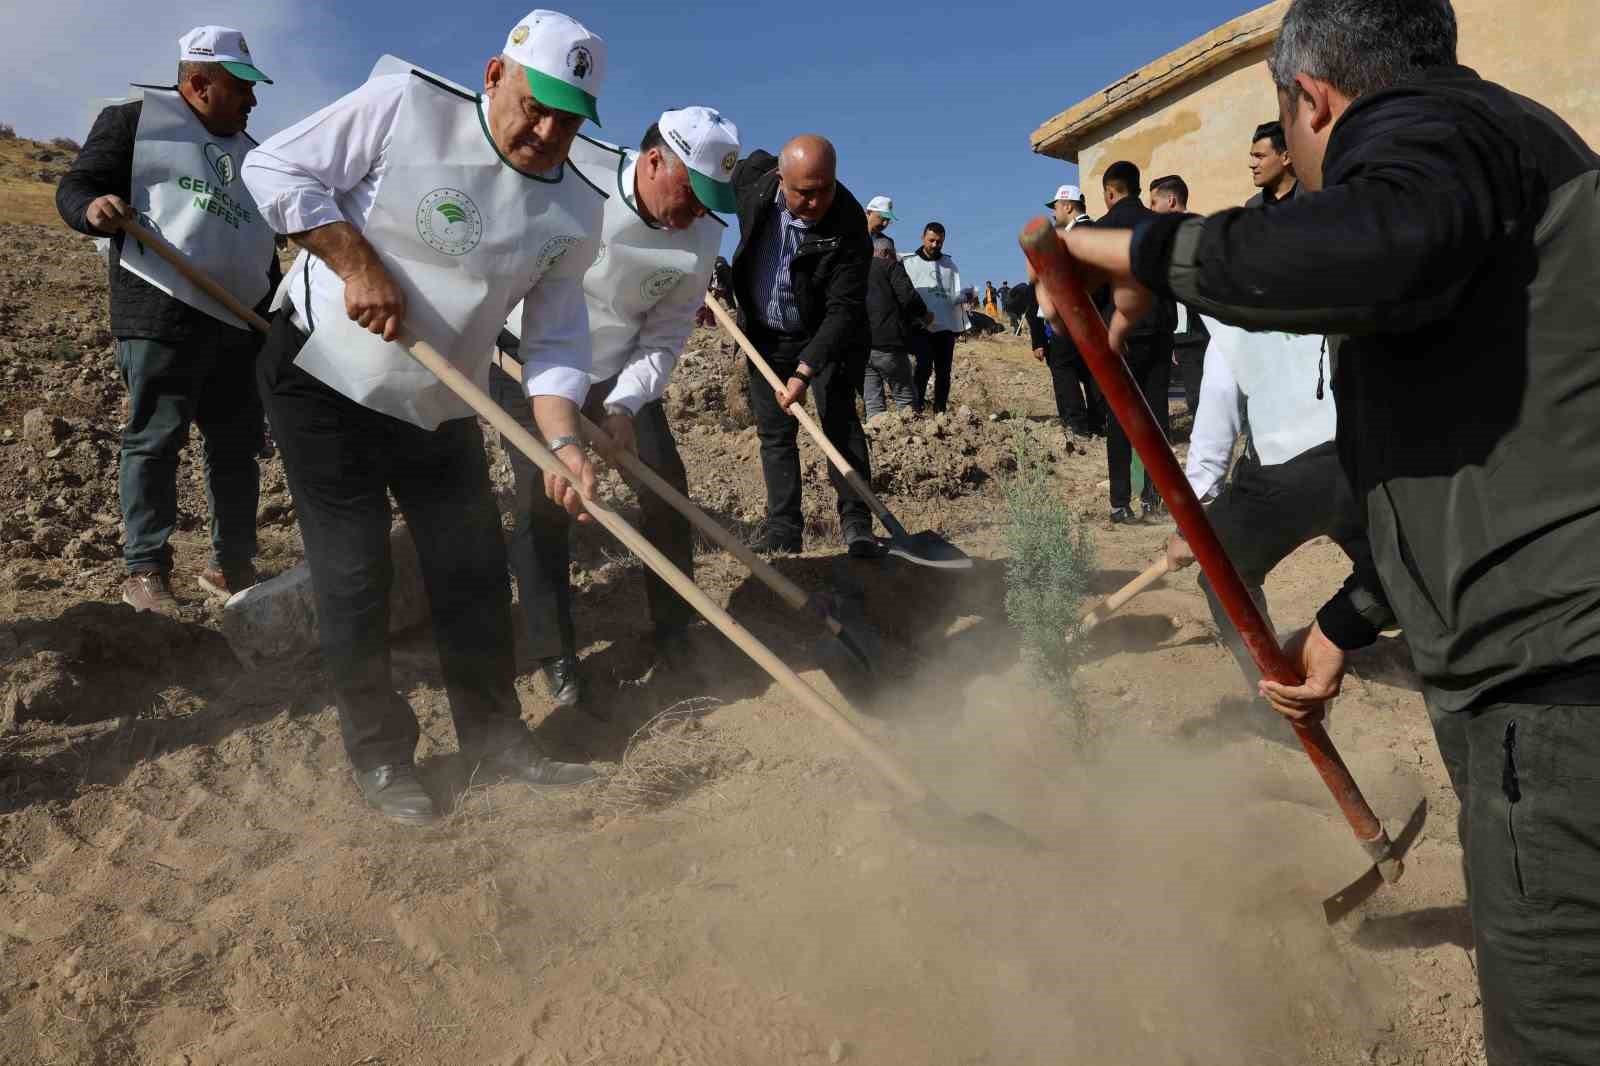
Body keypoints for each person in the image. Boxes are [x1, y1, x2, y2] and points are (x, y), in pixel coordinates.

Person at [1043, 1, 1600, 1059]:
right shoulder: (1515, 152)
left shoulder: (1429, 140)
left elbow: (1371, 246)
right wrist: (1350, 621)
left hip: (1560, 682)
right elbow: (1478, 446)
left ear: (1312, 99)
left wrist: (1129, 247)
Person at [240, 10, 609, 824]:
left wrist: (561, 440)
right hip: (322, 377)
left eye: (568, 119)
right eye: (536, 105)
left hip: (443, 402)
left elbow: (553, 339)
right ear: (494, 75)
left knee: (473, 569)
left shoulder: (578, 210)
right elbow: (274, 168)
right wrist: (355, 260)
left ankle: (497, 737)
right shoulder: (404, 103)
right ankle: (380, 759)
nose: (547, 131)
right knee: (355, 572)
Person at [490, 106, 739, 707]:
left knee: (664, 486)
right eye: (690, 193)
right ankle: (556, 654)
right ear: (654, 160)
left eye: (710, 201)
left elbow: (666, 333)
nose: (695, 213)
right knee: (544, 493)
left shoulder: (702, 232)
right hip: (529, 356)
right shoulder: (578, 175)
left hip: (617, 370)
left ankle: (675, 631)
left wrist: (626, 405)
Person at [55, 26, 279, 614]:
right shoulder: (132, 122)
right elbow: (76, 186)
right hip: (160, 310)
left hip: (236, 321)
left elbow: (258, 241)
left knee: (235, 446)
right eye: (241, 88)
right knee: (156, 437)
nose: (253, 101)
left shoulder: (251, 156)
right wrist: (92, 209)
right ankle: (146, 570)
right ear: (199, 83)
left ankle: (232, 563)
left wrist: (273, 312)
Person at [1166, 321, 1386, 708]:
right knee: (1394, 568)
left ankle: (1273, 683)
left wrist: (1192, 528)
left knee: (1224, 576)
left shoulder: (1230, 319)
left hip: (1282, 474)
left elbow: (1215, 430)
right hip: (1364, 460)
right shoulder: (1341, 280)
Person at [729, 134, 876, 556]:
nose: (817, 202)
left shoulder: (848, 224)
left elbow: (844, 310)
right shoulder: (751, 182)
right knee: (775, 434)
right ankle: (783, 527)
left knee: (839, 423)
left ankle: (857, 520)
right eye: (804, 193)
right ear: (780, 179)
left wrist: (804, 370)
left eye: (825, 188)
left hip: (823, 337)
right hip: (763, 334)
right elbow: (707, 183)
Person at [1093, 160, 1175, 524]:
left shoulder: (1099, 231)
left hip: (1118, 336)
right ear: (1139, 189)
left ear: (1110, 193)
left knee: (1119, 418)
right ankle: (1154, 498)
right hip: (1157, 330)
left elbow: (1092, 292)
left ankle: (1119, 502)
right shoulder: (1158, 224)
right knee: (1156, 416)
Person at [1026, 182, 1104, 439]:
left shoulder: (1072, 236)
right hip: (1094, 316)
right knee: (1092, 369)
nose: (1053, 212)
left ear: (1068, 205)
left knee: (1062, 366)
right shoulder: (1096, 230)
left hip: (1071, 315)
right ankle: (1099, 421)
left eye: (1056, 206)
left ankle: (1076, 424)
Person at [1150, 174, 1209, 417]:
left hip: (1191, 326)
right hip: (1202, 325)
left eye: (1154, 202)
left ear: (1171, 200)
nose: (1150, 209)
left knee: (1197, 391)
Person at [899, 222, 966, 414]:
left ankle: (940, 410)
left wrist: (965, 298)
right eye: (932, 240)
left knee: (944, 372)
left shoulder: (949, 264)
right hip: (920, 327)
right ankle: (916, 407)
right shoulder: (908, 262)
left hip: (945, 327)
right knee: (923, 367)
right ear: (923, 238)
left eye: (940, 242)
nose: (935, 245)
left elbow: (953, 295)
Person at [864, 234, 928, 417]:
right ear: (885, 252)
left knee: (873, 403)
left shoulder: (855, 270)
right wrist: (925, 315)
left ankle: (878, 441)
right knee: (905, 398)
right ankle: (912, 442)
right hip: (889, 344)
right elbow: (909, 298)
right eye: (893, 254)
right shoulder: (890, 266)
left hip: (862, 347)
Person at [1246, 119, 1298, 207]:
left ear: (1286, 158)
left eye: (1259, 156)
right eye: (1252, 156)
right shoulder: (1253, 206)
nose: (1251, 165)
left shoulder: (1313, 199)